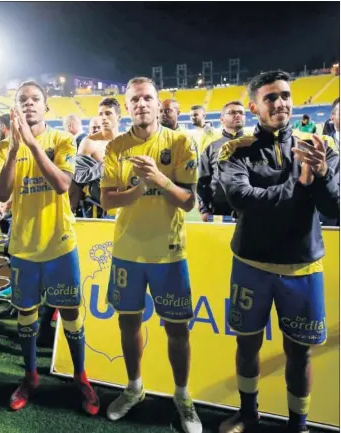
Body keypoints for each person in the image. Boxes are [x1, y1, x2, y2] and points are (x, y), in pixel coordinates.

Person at [217, 71, 339, 433]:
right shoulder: (235, 150)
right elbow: (244, 201)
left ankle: (298, 425)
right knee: (247, 343)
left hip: (301, 267)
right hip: (251, 264)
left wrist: (323, 175)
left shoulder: (321, 147)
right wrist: (302, 185)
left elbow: (334, 207)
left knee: (299, 351)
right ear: (255, 106)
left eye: (285, 95)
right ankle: (248, 414)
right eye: (270, 98)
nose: (280, 103)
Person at [100, 76, 202, 433]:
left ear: (158, 104)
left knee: (177, 329)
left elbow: (189, 201)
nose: (141, 104)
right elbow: (107, 200)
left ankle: (183, 398)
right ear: (127, 107)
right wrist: (138, 189)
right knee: (128, 323)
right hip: (128, 251)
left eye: (147, 98)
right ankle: (134, 387)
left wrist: (159, 180)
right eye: (134, 100)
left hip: (169, 253)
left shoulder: (180, 141)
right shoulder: (115, 147)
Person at [0, 80, 99, 415]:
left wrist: (32, 146)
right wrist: (13, 148)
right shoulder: (3, 147)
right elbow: (0, 193)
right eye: (22, 100)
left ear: (45, 107)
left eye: (35, 99)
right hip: (23, 248)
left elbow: (63, 184)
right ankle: (30, 377)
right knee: (26, 316)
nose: (29, 104)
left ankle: (80, 377)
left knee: (70, 313)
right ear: (15, 107)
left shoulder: (62, 140)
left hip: (59, 245)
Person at [197, 101, 246, 222]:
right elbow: (203, 181)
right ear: (222, 119)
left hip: (250, 211)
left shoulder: (256, 144)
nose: (237, 115)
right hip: (219, 211)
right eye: (232, 112)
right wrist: (204, 209)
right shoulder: (211, 148)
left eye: (241, 112)